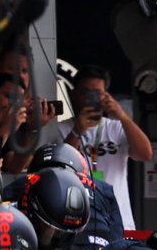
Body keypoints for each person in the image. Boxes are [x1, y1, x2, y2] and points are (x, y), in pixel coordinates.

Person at [58, 65, 152, 231]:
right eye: (85, 92)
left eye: (96, 93)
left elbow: (145, 153)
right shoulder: (62, 129)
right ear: (74, 94)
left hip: (118, 220)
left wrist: (122, 116)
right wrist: (77, 131)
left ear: (106, 95)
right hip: (78, 220)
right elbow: (59, 166)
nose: (90, 98)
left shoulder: (116, 127)